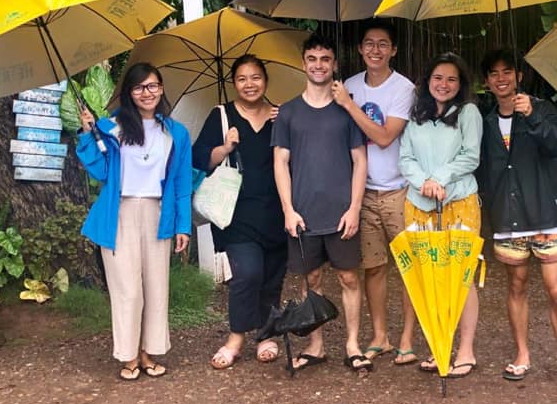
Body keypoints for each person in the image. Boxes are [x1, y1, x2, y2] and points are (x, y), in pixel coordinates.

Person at [76, 62, 191, 381]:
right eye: (139, 87)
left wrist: (183, 226)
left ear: (162, 89)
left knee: (156, 287)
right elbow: (100, 172)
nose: (147, 92)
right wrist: (88, 133)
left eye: (153, 85)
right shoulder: (110, 127)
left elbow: (181, 183)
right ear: (129, 92)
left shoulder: (176, 133)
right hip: (120, 213)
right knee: (127, 289)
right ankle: (128, 355)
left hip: (158, 213)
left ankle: (148, 353)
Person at [478, 50, 557, 387]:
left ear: (519, 76)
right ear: (486, 81)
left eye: (507, 71)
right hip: (508, 217)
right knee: (516, 285)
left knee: (556, 289)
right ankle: (522, 354)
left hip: (546, 215)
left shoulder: (542, 109)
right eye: (494, 74)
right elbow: (484, 168)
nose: (501, 78)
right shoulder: (487, 121)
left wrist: (533, 115)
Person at [272, 33, 370, 372]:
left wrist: (355, 208)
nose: (318, 65)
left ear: (335, 65)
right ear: (303, 64)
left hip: (342, 212)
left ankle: (352, 344)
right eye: (312, 59)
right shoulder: (288, 112)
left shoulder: (347, 110)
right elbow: (280, 162)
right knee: (310, 279)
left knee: (349, 278)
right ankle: (316, 345)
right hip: (303, 213)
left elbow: (360, 160)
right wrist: (288, 209)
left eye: (325, 59)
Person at [331, 20, 418, 365]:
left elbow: (384, 137)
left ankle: (407, 338)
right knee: (374, 268)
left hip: (399, 190)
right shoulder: (348, 85)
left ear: (393, 50)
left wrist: (349, 106)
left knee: (408, 267)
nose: (375, 50)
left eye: (383, 44)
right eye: (369, 43)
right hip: (363, 194)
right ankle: (380, 336)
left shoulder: (403, 88)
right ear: (360, 49)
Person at [192, 54, 287, 369]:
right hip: (236, 213)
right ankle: (236, 337)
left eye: (256, 77)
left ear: (266, 81)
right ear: (234, 83)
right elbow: (199, 158)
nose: (250, 84)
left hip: (276, 210)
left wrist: (288, 123)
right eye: (242, 78)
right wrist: (225, 148)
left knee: (272, 275)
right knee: (248, 272)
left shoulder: (279, 115)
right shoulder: (221, 116)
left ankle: (266, 334)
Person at [398, 52, 482, 377]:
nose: (443, 84)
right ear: (427, 81)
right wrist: (424, 183)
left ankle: (465, 350)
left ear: (460, 84)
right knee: (430, 277)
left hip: (458, 201)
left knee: (461, 276)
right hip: (420, 204)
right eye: (438, 78)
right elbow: (405, 158)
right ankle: (439, 344)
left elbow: (471, 156)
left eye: (451, 79)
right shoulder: (416, 114)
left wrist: (440, 179)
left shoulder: (468, 113)